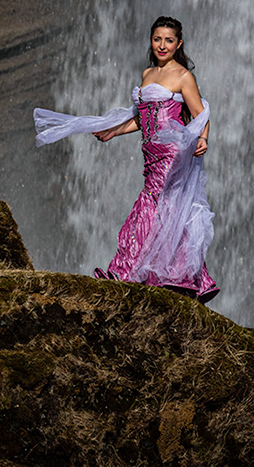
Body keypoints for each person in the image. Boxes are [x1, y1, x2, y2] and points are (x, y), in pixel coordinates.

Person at [32, 16, 219, 302]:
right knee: (167, 208)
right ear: (151, 41)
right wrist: (114, 132)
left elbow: (201, 113)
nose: (162, 45)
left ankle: (124, 271)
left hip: (172, 152)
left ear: (178, 44)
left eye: (169, 40)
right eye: (157, 39)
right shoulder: (147, 74)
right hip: (151, 152)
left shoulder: (183, 76)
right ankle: (178, 277)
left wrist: (203, 138)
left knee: (151, 206)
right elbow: (142, 119)